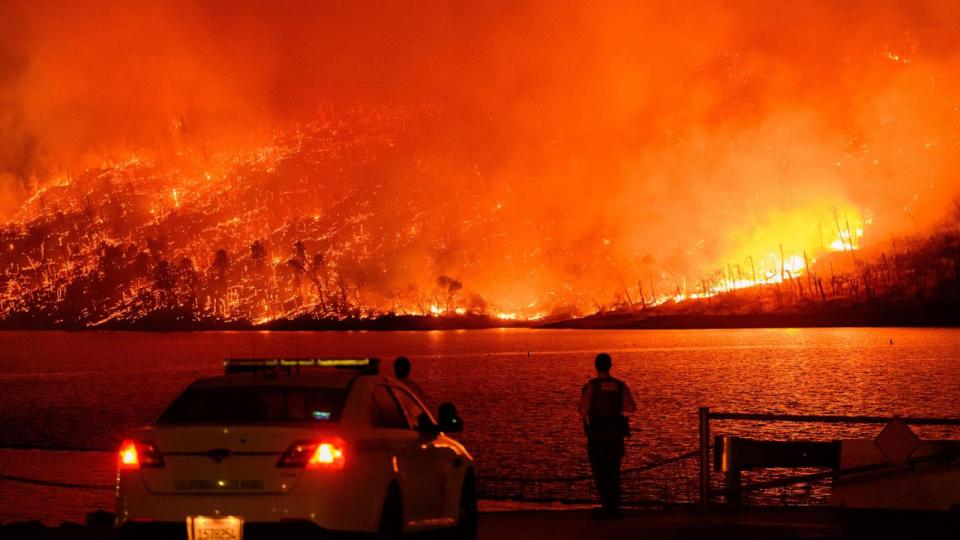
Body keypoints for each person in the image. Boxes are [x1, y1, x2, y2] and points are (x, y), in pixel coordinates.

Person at [578, 353, 636, 519]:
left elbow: (582, 411)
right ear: (610, 365)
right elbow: (631, 408)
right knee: (614, 469)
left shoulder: (591, 387)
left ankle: (606, 506)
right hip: (615, 433)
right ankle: (613, 506)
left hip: (597, 433)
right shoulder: (620, 385)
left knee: (600, 469)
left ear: (596, 366)